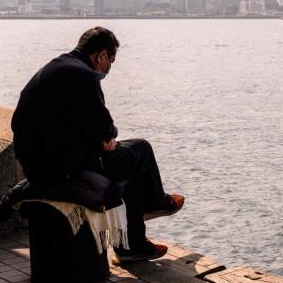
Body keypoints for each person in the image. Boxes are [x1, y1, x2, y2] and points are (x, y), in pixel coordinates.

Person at [12, 26, 184, 263]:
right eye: (110, 62)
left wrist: (101, 140)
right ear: (101, 56)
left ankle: (134, 246)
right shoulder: (84, 75)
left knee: (129, 166)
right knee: (141, 149)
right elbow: (105, 128)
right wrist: (104, 139)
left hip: (35, 164)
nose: (108, 68)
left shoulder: (55, 68)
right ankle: (154, 204)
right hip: (62, 168)